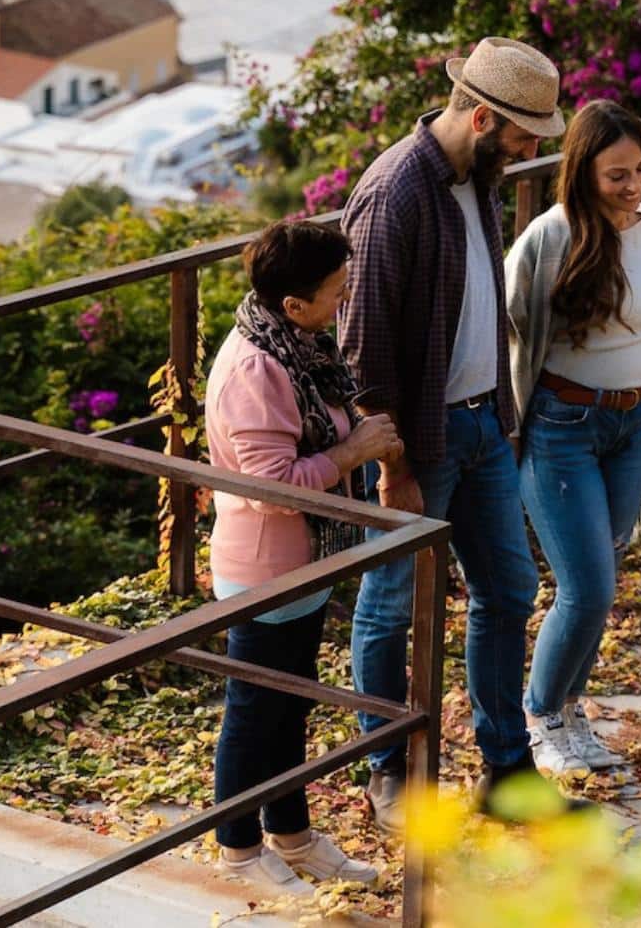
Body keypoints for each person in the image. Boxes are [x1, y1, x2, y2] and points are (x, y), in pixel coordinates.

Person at [338, 36, 572, 833]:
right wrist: (393, 464)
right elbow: (362, 348)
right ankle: (390, 772)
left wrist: (500, 421)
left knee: (508, 590)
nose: (529, 151)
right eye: (523, 137)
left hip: (480, 428)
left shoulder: (478, 178)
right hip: (422, 442)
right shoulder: (395, 194)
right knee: (389, 606)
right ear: (482, 118)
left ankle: (506, 772)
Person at [206, 220, 402, 894]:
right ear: (293, 305)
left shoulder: (299, 346)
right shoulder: (256, 368)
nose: (344, 302)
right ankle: (237, 849)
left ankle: (291, 835)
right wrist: (354, 451)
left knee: (290, 707)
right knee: (254, 711)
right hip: (266, 567)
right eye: (336, 293)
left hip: (306, 567)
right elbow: (270, 490)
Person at [506, 100, 641, 774]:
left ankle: (571, 709)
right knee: (588, 586)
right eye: (616, 175)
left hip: (633, 422)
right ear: (581, 173)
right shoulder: (548, 240)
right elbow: (507, 339)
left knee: (602, 574)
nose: (634, 184)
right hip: (562, 427)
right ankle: (541, 712)